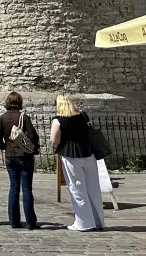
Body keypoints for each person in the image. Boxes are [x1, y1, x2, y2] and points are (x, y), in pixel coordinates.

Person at [51, 94, 103, 232]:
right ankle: (98, 221)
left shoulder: (58, 120)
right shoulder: (83, 116)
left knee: (77, 188)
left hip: (71, 155)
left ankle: (84, 222)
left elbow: (54, 140)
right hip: (88, 154)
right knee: (93, 188)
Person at [0, 91, 39, 230]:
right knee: (26, 189)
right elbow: (33, 135)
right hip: (24, 156)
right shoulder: (23, 117)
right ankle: (30, 222)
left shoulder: (2, 118)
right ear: (19, 102)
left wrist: (4, 146)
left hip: (10, 156)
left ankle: (14, 221)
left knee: (14, 188)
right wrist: (33, 148)